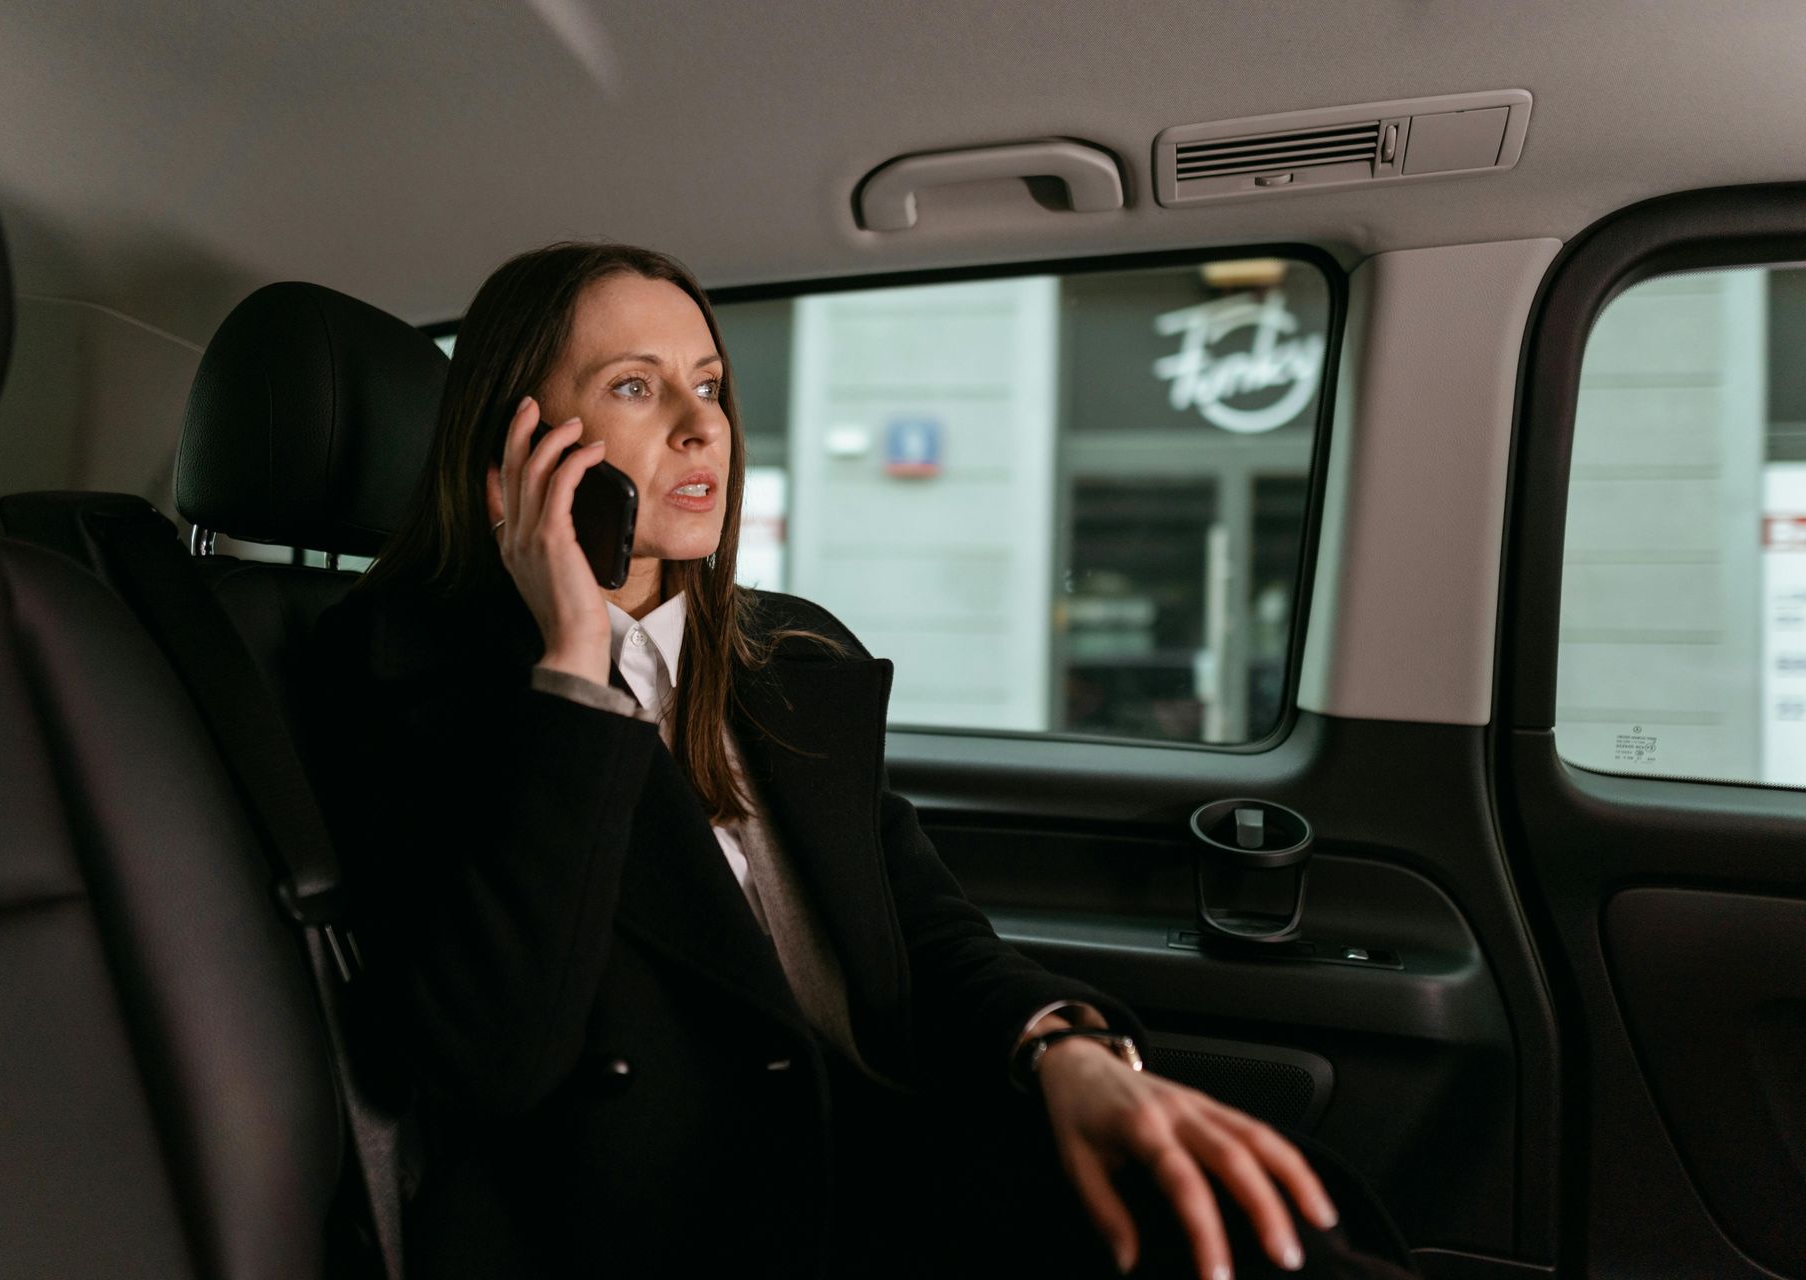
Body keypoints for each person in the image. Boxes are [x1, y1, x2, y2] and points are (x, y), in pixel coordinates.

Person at [308, 242, 1418, 1279]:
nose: (705, 426)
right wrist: (574, 667)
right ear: (521, 436)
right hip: (686, 1222)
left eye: (710, 382)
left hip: (897, 1145)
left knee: (1276, 1200)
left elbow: (925, 927)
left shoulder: (791, 654)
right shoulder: (404, 680)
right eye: (638, 387)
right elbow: (495, 1058)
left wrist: (1061, 1049)